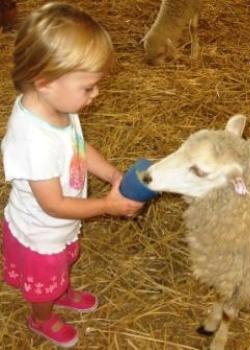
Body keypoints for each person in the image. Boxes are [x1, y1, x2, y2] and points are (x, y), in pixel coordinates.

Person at [1, 2, 143, 348]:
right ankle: (42, 317)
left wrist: (111, 174)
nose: (96, 95)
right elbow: (54, 204)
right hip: (41, 233)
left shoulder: (57, 107)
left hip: (59, 228)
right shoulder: (33, 140)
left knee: (63, 265)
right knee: (44, 282)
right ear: (45, 81)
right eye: (88, 87)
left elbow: (77, 148)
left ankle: (60, 292)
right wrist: (107, 206)